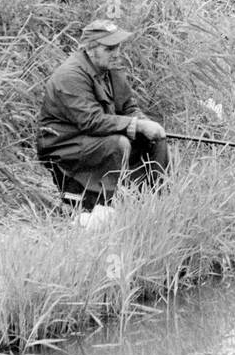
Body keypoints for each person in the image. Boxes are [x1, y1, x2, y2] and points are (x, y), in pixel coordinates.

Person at [37, 19, 169, 219]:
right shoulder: (70, 75)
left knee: (156, 139)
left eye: (117, 46)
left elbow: (128, 107)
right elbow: (91, 121)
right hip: (64, 145)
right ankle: (106, 205)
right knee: (119, 144)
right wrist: (136, 125)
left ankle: (160, 202)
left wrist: (146, 124)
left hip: (94, 137)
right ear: (90, 49)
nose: (116, 53)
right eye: (109, 48)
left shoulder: (111, 70)